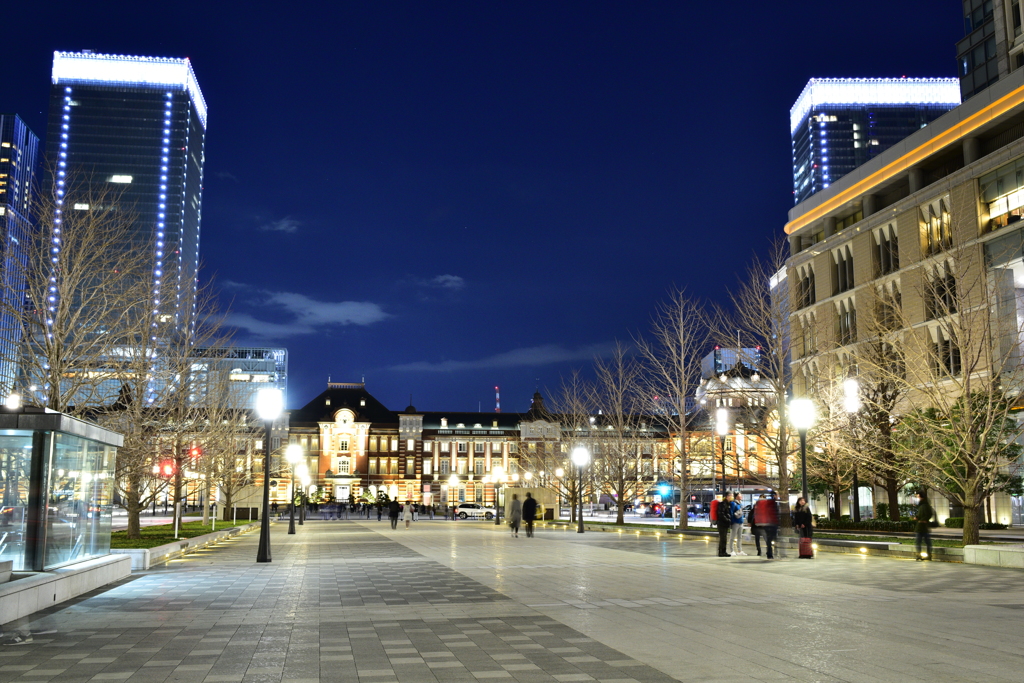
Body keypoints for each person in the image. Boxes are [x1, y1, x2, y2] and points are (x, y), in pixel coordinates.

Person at [754, 492, 780, 560]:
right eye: (777, 495)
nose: (778, 496)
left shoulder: (767, 503)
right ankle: (773, 553)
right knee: (773, 538)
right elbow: (775, 513)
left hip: (766, 523)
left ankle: (769, 553)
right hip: (772, 523)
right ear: (774, 495)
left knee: (769, 539)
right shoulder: (773, 502)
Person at [915, 489, 934, 561]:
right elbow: (921, 514)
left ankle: (926, 555)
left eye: (917, 496)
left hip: (923, 526)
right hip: (921, 526)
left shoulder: (925, 505)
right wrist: (917, 517)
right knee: (921, 541)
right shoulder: (922, 505)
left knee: (924, 541)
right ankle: (920, 555)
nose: (917, 498)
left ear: (920, 497)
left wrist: (923, 520)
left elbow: (928, 514)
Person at [716, 492, 733, 557]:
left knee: (724, 538)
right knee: (723, 538)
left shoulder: (727, 503)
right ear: (727, 496)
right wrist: (727, 519)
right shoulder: (723, 504)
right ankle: (721, 552)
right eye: (731, 496)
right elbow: (721, 513)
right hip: (722, 523)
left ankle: (723, 551)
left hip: (724, 523)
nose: (732, 497)